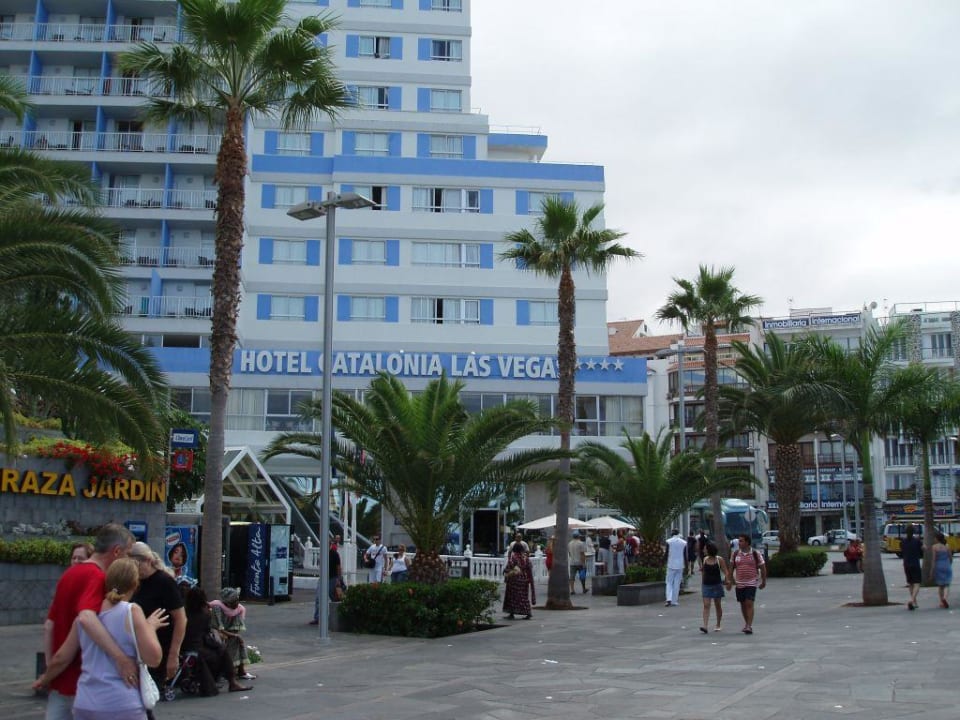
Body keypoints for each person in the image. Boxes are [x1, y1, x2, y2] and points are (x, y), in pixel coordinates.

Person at [34, 558, 167, 720]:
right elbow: (153, 658)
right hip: (122, 701)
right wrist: (150, 627)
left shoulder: (86, 615)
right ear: (135, 584)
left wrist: (45, 678)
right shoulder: (131, 611)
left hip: (86, 702)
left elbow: (61, 658)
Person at [43, 523, 138, 720]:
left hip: (61, 681)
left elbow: (49, 625)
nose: (128, 560)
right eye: (127, 554)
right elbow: (86, 617)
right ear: (116, 551)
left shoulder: (69, 574)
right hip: (87, 682)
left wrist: (49, 671)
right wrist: (121, 658)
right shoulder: (96, 577)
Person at [129, 541, 186, 706]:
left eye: (136, 564)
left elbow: (181, 618)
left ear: (147, 561)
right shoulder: (135, 582)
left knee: (148, 699)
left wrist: (174, 656)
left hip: (159, 648)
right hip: (138, 647)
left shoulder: (164, 582)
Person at [181, 587, 252, 695]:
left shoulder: (184, 613)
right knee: (222, 651)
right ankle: (232, 682)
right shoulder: (204, 615)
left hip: (185, 647)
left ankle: (227, 680)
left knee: (219, 650)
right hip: (198, 648)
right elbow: (206, 634)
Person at [210, 587, 256, 680]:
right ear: (227, 602)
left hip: (229, 632)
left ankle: (241, 671)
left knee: (238, 643)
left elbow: (236, 626)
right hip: (216, 631)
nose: (236, 603)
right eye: (233, 601)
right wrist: (234, 635)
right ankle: (227, 671)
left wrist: (236, 636)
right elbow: (219, 627)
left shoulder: (238, 608)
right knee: (230, 642)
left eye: (237, 600)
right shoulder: (217, 607)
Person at [729, 533, 766, 634]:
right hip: (739, 583)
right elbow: (731, 566)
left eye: (741, 541)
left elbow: (762, 567)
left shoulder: (755, 553)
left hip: (751, 582)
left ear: (747, 542)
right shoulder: (735, 553)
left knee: (749, 603)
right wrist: (729, 579)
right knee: (743, 604)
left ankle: (749, 626)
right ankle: (746, 623)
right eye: (739, 541)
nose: (739, 543)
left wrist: (763, 581)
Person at [699, 541, 729, 633]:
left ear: (709, 549)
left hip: (717, 585)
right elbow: (704, 572)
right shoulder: (704, 559)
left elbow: (725, 571)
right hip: (706, 585)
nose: (703, 550)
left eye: (705, 548)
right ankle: (705, 626)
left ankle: (718, 624)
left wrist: (727, 580)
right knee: (706, 605)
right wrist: (702, 582)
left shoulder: (719, 559)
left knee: (717, 605)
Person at [502, 543, 535, 619]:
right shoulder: (526, 558)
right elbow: (529, 569)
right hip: (524, 580)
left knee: (512, 597)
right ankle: (528, 612)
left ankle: (511, 613)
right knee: (523, 597)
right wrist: (529, 580)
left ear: (514, 550)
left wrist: (505, 573)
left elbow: (508, 568)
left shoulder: (513, 558)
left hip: (514, 580)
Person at [901, 524, 923, 610]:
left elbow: (902, 550)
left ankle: (914, 602)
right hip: (915, 563)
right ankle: (912, 599)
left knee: (910, 583)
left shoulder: (903, 541)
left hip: (906, 564)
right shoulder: (917, 541)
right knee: (917, 583)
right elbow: (923, 548)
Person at [664, 529, 686, 607]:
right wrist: (686, 566)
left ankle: (668, 599)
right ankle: (674, 601)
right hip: (680, 565)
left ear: (672, 534)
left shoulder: (668, 542)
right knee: (677, 583)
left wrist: (663, 562)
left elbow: (666, 553)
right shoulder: (684, 542)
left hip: (671, 564)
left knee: (669, 582)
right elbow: (685, 555)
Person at [932, 531, 953, 609]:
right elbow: (950, 557)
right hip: (946, 565)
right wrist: (949, 564)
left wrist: (932, 570)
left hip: (939, 566)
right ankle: (945, 598)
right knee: (947, 585)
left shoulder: (934, 547)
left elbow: (934, 559)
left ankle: (941, 601)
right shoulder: (947, 546)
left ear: (937, 539)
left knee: (940, 586)